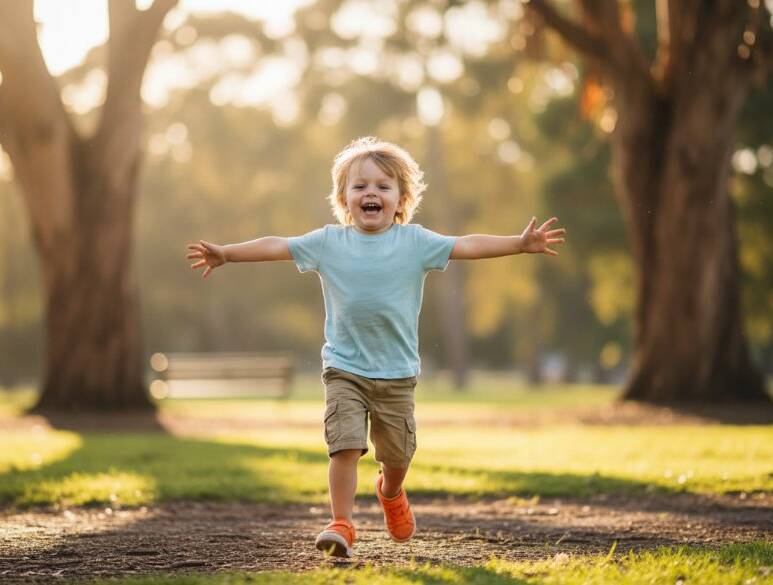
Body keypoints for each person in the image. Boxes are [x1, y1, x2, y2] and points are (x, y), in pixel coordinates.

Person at [185, 136, 566, 558]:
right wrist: (227, 254)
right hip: (344, 368)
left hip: (397, 374)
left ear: (401, 198)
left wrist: (518, 242)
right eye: (360, 186)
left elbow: (467, 244)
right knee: (344, 445)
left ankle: (391, 492)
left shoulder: (416, 242)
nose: (371, 193)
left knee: (398, 456)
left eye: (383, 187)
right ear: (344, 198)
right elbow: (278, 244)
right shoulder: (329, 242)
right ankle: (342, 523)